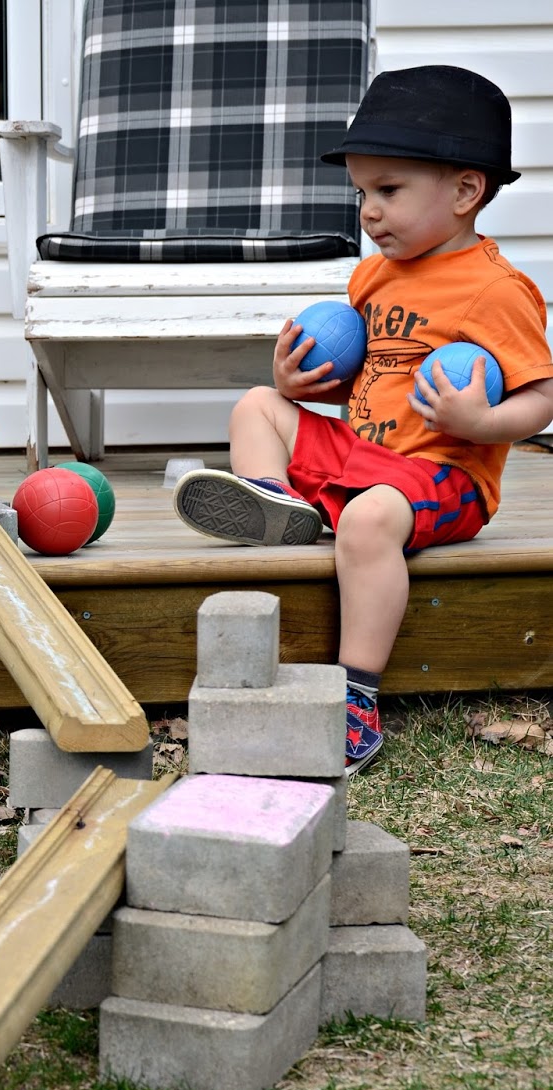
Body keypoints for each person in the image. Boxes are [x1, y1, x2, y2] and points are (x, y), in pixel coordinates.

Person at [172, 66, 553, 773]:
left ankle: (356, 696)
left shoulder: (498, 290)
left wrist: (482, 420)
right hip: (367, 455)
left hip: (442, 475)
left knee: (369, 518)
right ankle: (277, 506)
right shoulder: (372, 276)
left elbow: (542, 396)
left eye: (388, 191)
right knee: (258, 404)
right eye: (360, 193)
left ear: (467, 191)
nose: (368, 212)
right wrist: (301, 382)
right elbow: (368, 384)